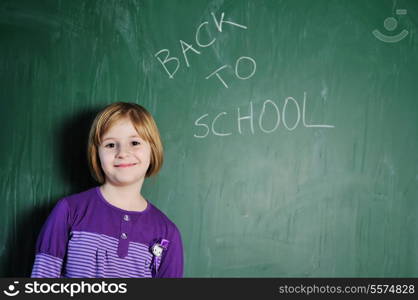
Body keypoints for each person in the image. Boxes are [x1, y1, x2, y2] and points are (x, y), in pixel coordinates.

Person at [31, 102, 183, 278]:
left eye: (134, 142)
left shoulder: (167, 232)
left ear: (153, 150)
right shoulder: (69, 210)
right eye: (110, 145)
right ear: (97, 153)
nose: (123, 153)